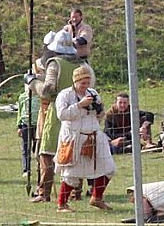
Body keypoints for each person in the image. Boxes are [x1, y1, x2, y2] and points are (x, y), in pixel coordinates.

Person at [24, 30, 94, 203]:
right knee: (74, 151)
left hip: (59, 111)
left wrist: (32, 82)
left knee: (47, 152)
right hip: (80, 111)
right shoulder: (84, 65)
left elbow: (48, 90)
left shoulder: (55, 64)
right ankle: (75, 191)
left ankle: (44, 192)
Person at [54, 66, 115, 212]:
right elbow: (62, 115)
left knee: (108, 168)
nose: (85, 86)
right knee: (72, 173)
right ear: (75, 82)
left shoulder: (92, 93)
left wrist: (98, 108)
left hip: (94, 135)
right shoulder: (65, 95)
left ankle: (97, 198)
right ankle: (62, 204)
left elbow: (100, 116)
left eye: (88, 82)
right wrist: (80, 105)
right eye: (83, 83)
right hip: (74, 137)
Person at [16, 84, 40, 177]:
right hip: (25, 125)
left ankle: (40, 166)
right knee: (26, 148)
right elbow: (19, 112)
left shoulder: (39, 97)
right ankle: (26, 169)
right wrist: (19, 126)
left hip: (37, 125)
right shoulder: (22, 97)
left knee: (37, 147)